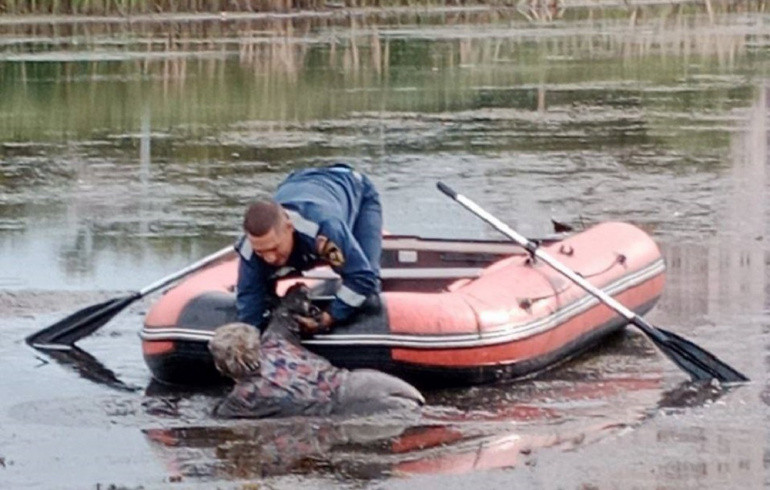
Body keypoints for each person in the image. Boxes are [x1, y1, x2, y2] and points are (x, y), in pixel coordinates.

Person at [209, 285, 424, 418]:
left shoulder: (241, 401)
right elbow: (297, 297)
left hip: (352, 409)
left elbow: (214, 418)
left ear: (220, 367)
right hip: (363, 382)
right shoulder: (276, 341)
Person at [235, 164, 382, 333]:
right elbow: (249, 305)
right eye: (261, 252)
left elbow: (362, 279)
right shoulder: (249, 251)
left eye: (274, 248)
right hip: (297, 181)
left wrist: (327, 318)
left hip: (352, 187)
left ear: (289, 227)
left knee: (369, 297)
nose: (270, 258)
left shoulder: (325, 232)